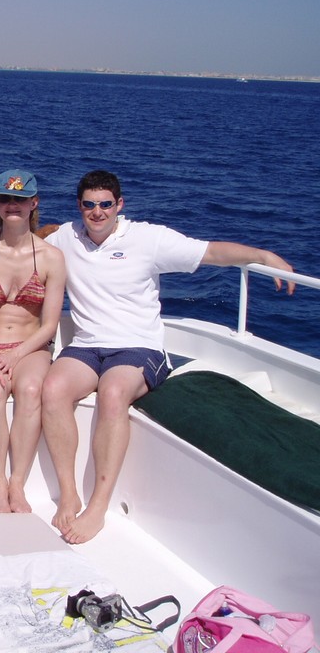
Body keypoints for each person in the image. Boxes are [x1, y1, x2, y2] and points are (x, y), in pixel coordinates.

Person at [42, 169, 294, 544]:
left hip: (139, 345)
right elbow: (25, 242)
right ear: (79, 206)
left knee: (113, 393)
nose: (97, 212)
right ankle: (68, 494)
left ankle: (97, 506)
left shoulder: (148, 239)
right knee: (52, 389)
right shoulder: (65, 237)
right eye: (89, 204)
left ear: (119, 205)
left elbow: (210, 252)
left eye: (105, 204)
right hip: (86, 344)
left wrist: (262, 255)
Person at [0, 170, 65, 514]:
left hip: (30, 348)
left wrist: (17, 354)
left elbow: (49, 325)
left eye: (20, 199)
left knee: (31, 390)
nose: (12, 205)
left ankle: (17, 484)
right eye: (5, 199)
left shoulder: (51, 257)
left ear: (34, 203)